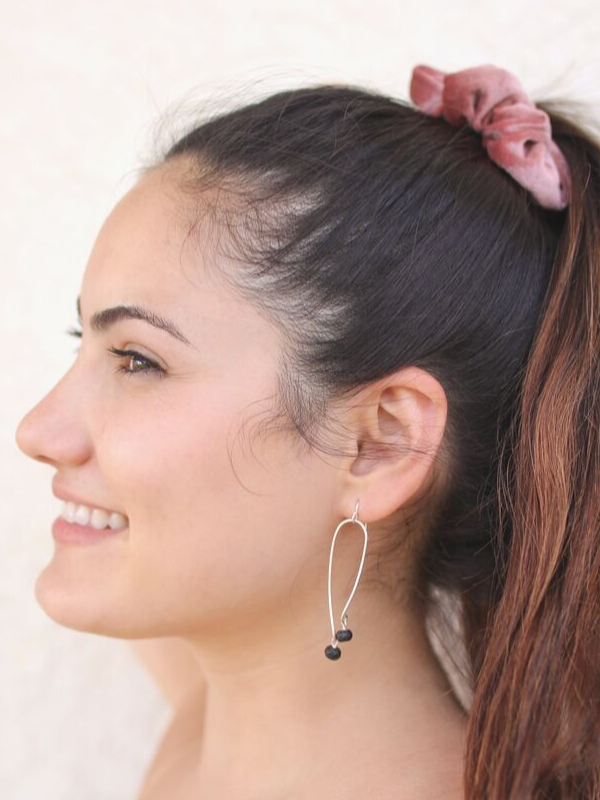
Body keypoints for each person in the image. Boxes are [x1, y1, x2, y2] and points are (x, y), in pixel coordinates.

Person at [15, 63, 599, 800]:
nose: (38, 430)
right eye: (83, 340)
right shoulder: (218, 705)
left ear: (379, 442)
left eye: (138, 359)